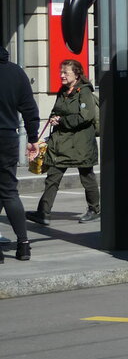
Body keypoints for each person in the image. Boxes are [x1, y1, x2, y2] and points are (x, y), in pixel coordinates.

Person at [27, 59, 99, 226]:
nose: (62, 75)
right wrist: (54, 118)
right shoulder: (63, 91)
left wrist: (62, 120)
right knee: (52, 177)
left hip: (81, 144)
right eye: (61, 72)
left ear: (77, 74)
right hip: (61, 143)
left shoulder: (84, 91)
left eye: (66, 72)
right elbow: (56, 110)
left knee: (87, 177)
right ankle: (43, 212)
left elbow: (86, 116)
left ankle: (94, 209)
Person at [0, 45, 36, 261]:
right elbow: (29, 108)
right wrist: (33, 138)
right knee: (8, 191)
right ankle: (23, 245)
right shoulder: (16, 73)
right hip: (8, 138)